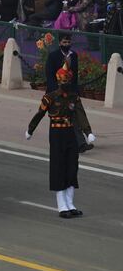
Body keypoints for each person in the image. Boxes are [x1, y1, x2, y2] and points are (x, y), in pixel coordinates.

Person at [26, 64, 94, 218]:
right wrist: (30, 129)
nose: (66, 84)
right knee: (58, 166)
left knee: (72, 166)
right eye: (63, 82)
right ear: (58, 82)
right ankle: (62, 205)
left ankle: (70, 203)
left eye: (67, 82)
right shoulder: (49, 97)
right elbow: (39, 114)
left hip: (70, 133)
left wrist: (88, 132)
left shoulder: (74, 97)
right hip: (56, 134)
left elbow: (80, 115)